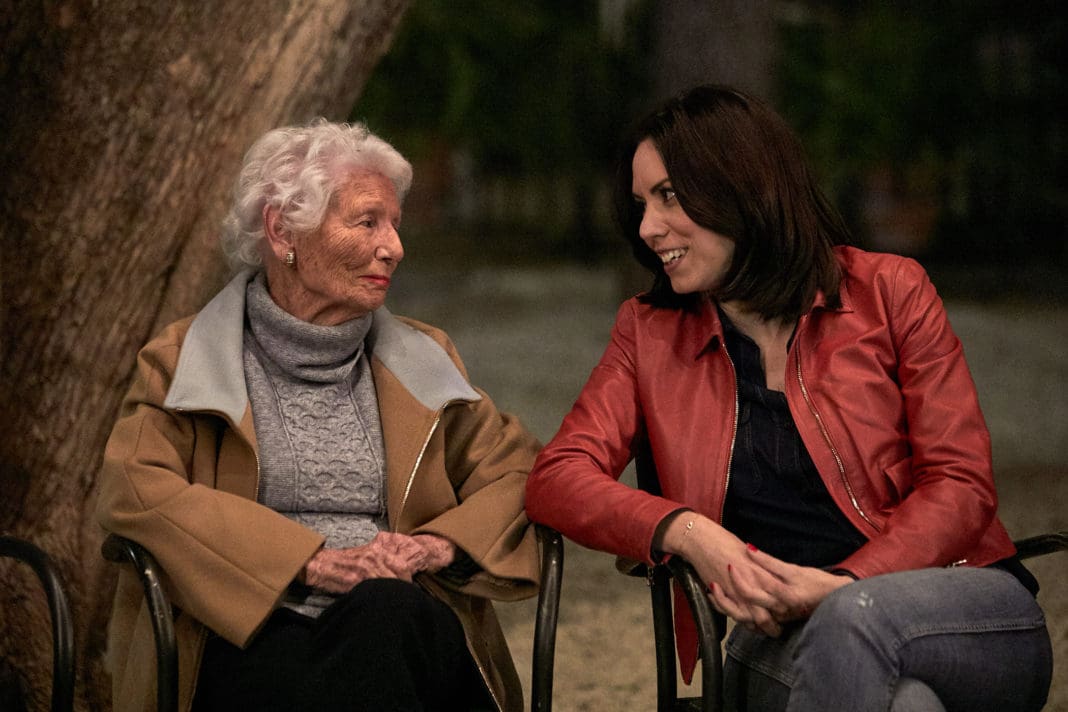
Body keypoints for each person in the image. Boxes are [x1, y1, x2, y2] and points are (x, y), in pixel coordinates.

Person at [525, 85, 1052, 711]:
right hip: (780, 636)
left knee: (853, 618)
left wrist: (843, 585)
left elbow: (961, 483)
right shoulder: (649, 333)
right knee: (904, 703)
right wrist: (688, 532)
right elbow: (557, 476)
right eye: (641, 204)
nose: (647, 227)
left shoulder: (891, 292)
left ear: (740, 187)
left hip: (959, 603)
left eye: (668, 196)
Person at [97, 119, 541, 712]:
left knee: (388, 612)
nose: (394, 247)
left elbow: (520, 473)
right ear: (283, 230)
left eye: (394, 224)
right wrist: (308, 563)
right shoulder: (183, 361)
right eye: (367, 222)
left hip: (404, 626)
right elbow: (134, 487)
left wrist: (436, 547)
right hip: (250, 635)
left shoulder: (424, 359)